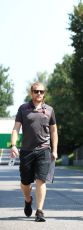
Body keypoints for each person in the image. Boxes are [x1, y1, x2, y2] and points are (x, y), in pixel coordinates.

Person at [10, 82, 58, 222]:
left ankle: (40, 211)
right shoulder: (23, 109)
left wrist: (54, 150)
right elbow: (16, 128)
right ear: (31, 93)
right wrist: (13, 145)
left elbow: (54, 131)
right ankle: (28, 199)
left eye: (41, 92)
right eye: (36, 91)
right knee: (25, 182)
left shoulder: (49, 110)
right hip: (26, 151)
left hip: (44, 150)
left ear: (44, 93)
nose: (39, 94)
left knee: (41, 180)